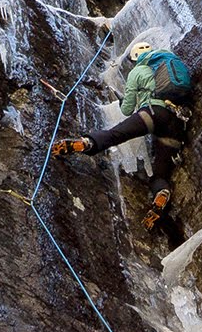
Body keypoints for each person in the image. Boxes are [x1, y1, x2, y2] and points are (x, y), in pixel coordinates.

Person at [52, 41, 190, 229]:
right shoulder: (169, 65)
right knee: (160, 173)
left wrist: (124, 100)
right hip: (176, 123)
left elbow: (126, 109)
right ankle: (161, 193)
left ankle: (86, 143)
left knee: (115, 135)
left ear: (134, 58)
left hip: (152, 113)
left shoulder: (137, 71)